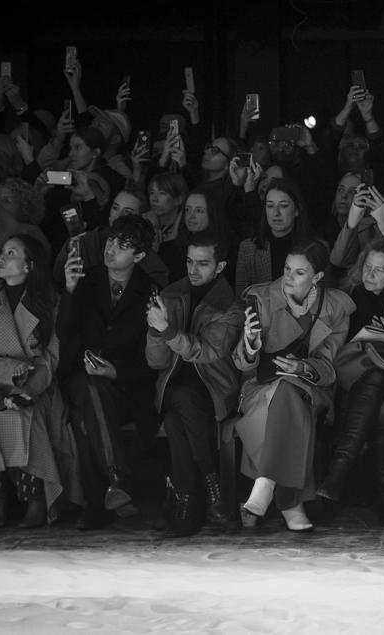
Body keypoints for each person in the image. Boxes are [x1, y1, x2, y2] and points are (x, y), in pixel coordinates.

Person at [234, 239, 355, 532]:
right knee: (286, 395)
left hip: (309, 389)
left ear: (317, 277)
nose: (288, 277)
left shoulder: (336, 307)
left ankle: (265, 485)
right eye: (287, 269)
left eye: (299, 273)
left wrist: (303, 368)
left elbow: (328, 368)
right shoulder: (261, 298)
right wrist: (250, 343)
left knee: (290, 390)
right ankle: (291, 502)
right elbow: (241, 364)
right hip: (261, 388)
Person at [58, 214, 158, 530]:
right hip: (81, 378)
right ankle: (118, 479)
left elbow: (154, 358)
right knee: (89, 389)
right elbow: (64, 332)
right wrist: (70, 290)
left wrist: (117, 372)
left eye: (123, 246)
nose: (111, 249)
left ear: (139, 256)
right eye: (111, 240)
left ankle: (97, 505)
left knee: (85, 419)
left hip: (126, 386)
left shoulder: (150, 290)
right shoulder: (86, 280)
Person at [0, 233, 63, 528]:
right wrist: (15, 371)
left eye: (11, 253)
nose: (2, 258)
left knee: (23, 415)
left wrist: (28, 389)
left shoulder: (51, 302)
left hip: (39, 383)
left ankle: (36, 497)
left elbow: (50, 358)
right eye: (3, 252)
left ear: (29, 265)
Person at [146, 230, 243, 537]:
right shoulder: (171, 294)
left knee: (178, 413)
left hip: (212, 390)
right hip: (174, 388)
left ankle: (186, 504)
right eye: (189, 261)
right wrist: (154, 331)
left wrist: (167, 329)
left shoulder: (230, 306)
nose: (193, 269)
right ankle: (210, 481)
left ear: (220, 266)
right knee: (179, 401)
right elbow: (156, 362)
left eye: (202, 263)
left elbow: (207, 352)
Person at [318, 238, 384, 525]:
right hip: (355, 380)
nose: (369, 275)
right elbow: (335, 342)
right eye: (367, 267)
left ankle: (338, 474)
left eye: (379, 270)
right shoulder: (349, 295)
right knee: (381, 406)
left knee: (380, 385)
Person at [51, 190, 169, 288]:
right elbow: (58, 276)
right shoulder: (89, 240)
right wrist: (71, 247)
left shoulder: (151, 262)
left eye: (127, 212)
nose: (118, 215)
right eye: (115, 208)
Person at [233, 178, 314, 299]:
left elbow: (323, 303)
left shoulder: (315, 248)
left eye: (284, 206)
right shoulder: (248, 248)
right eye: (270, 206)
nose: (276, 213)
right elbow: (241, 299)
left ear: (297, 210)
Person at [143, 172, 187, 253]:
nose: (154, 199)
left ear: (178, 199)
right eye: (152, 193)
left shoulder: (185, 231)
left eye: (162, 193)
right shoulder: (143, 222)